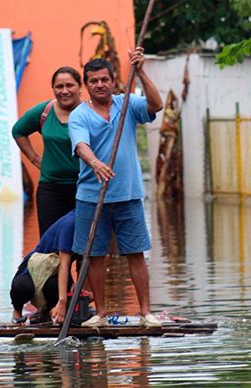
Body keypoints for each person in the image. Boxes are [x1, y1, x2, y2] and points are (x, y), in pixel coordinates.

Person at [68, 48, 164, 328]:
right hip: (91, 196)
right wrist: (95, 163)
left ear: (113, 81)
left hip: (128, 194)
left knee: (136, 252)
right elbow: (80, 145)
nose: (99, 85)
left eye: (104, 80)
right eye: (94, 81)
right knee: (93, 256)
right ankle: (100, 313)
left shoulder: (127, 104)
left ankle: (146, 312)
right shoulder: (79, 115)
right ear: (86, 85)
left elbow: (156, 105)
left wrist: (142, 71)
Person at [12, 67, 82, 236]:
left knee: (85, 247)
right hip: (51, 190)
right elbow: (18, 131)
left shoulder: (90, 113)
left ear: (80, 87)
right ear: (53, 89)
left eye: (70, 85)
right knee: (50, 246)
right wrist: (35, 159)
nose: (64, 91)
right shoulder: (44, 112)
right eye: (59, 86)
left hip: (85, 188)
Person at [9, 210, 90, 324]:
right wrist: (62, 301)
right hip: (35, 268)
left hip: (54, 273)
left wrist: (82, 290)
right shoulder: (70, 224)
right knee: (22, 287)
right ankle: (17, 314)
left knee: (59, 288)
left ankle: (48, 312)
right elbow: (64, 264)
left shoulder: (94, 226)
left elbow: (88, 262)